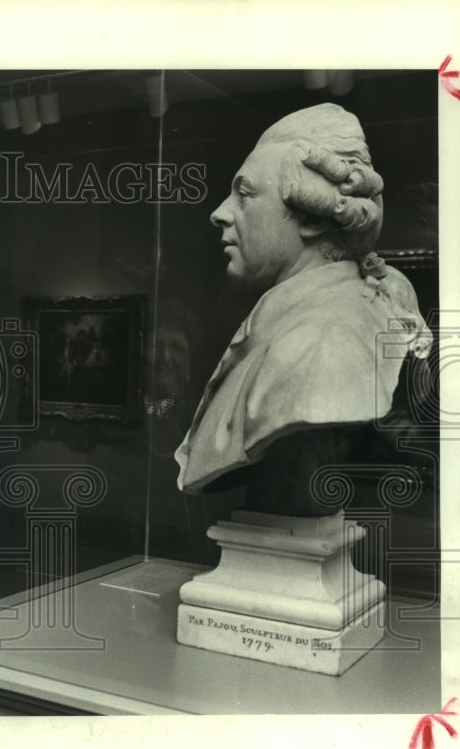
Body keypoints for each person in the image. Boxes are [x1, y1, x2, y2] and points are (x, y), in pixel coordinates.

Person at [175, 103, 432, 515]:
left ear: (311, 219)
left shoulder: (321, 344)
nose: (219, 213)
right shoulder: (301, 321)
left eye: (244, 194)